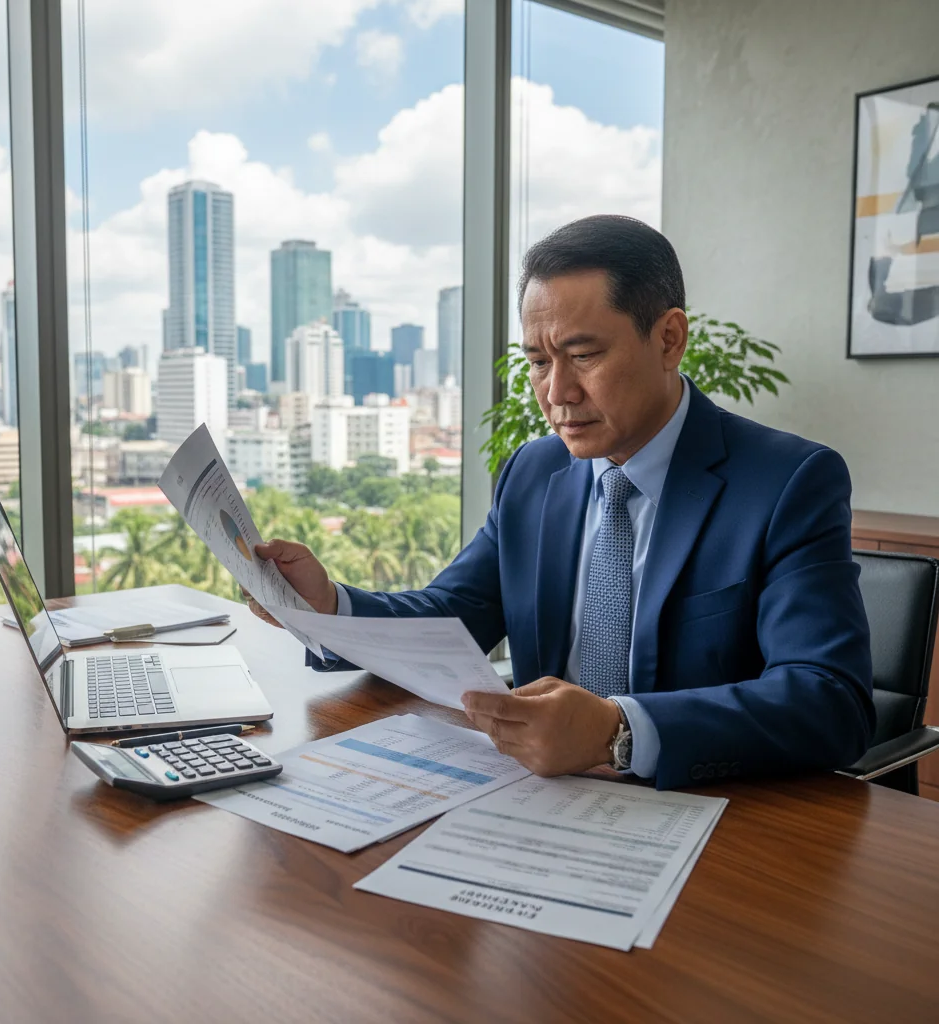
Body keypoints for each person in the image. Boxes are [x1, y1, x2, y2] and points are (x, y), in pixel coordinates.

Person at [247, 215, 875, 790]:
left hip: (708, 814)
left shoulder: (788, 482)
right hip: (535, 800)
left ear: (669, 338)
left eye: (583, 355)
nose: (557, 392)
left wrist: (617, 730)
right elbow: (451, 615)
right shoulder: (534, 470)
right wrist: (329, 607)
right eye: (539, 362)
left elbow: (829, 701)